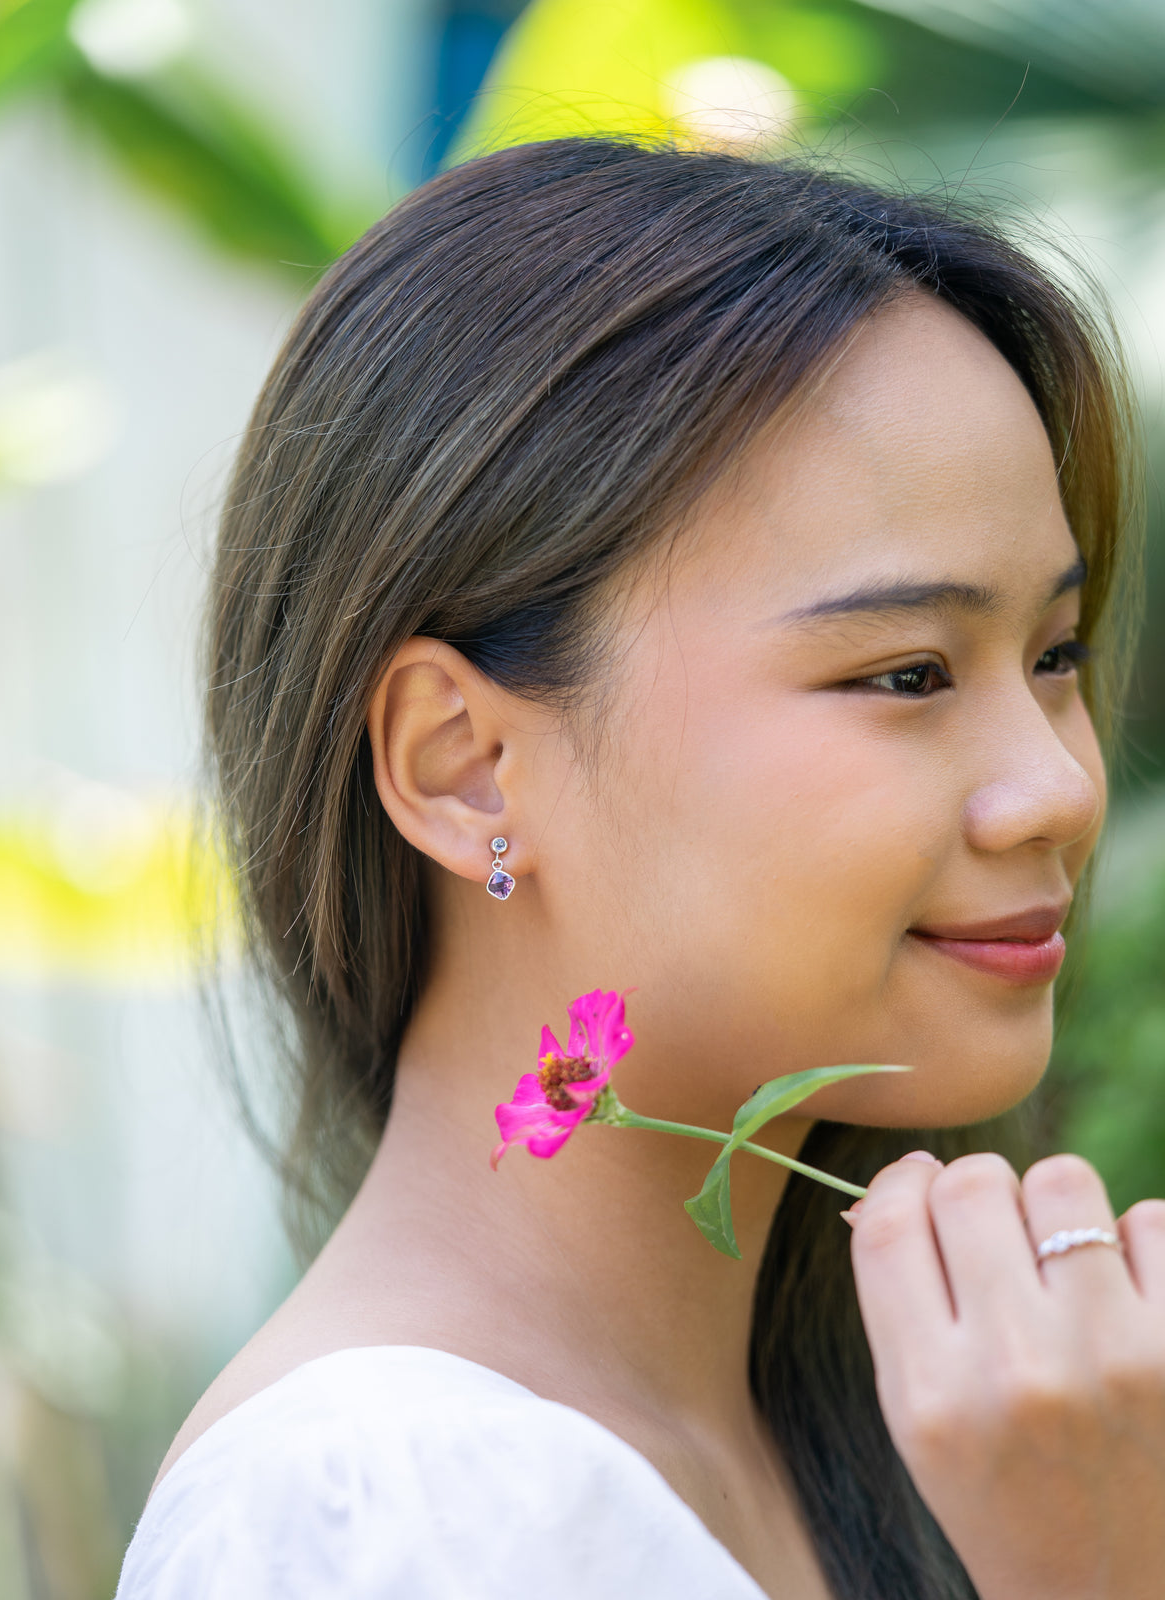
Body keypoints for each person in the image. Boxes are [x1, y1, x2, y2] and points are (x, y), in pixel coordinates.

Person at [115, 137, 1164, 1600]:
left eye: (1054, 655)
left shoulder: (910, 1436)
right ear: (463, 766)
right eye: (910, 671)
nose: (1058, 786)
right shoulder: (400, 1519)